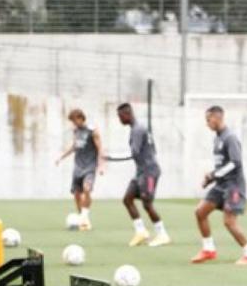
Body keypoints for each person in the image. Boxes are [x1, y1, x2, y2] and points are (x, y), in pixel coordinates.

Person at [191, 106, 247, 265]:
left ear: (217, 118)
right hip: (221, 185)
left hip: (233, 186)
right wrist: (211, 177)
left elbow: (235, 163)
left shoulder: (230, 137)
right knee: (200, 212)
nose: (207, 123)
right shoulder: (217, 138)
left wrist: (213, 175)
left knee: (229, 222)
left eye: (208, 119)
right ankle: (208, 250)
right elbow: (223, 166)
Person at [109, 103, 170, 247]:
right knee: (127, 199)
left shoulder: (137, 130)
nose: (119, 119)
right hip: (141, 172)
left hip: (149, 172)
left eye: (120, 116)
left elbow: (134, 153)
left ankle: (162, 234)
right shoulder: (139, 129)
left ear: (127, 114)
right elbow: (152, 149)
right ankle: (141, 231)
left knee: (147, 204)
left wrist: (110, 157)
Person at [54, 109, 105, 231]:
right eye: (72, 121)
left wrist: (102, 165)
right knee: (77, 194)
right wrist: (61, 157)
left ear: (81, 118)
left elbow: (100, 149)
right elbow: (74, 147)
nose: (73, 123)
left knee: (87, 189)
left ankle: (84, 217)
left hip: (90, 167)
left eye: (74, 120)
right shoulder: (76, 131)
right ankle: (83, 220)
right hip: (78, 167)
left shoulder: (92, 131)